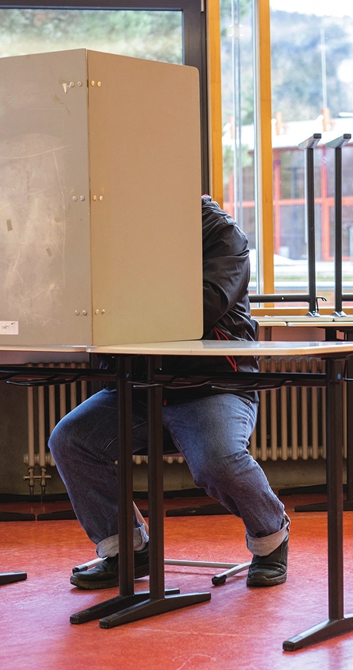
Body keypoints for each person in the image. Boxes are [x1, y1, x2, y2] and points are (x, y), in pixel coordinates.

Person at [49, 196, 288, 590]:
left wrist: (123, 297)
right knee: (71, 440)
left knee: (217, 461)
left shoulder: (220, 233)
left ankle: (270, 538)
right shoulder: (123, 231)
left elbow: (205, 305)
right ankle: (127, 549)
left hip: (210, 385)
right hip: (140, 387)